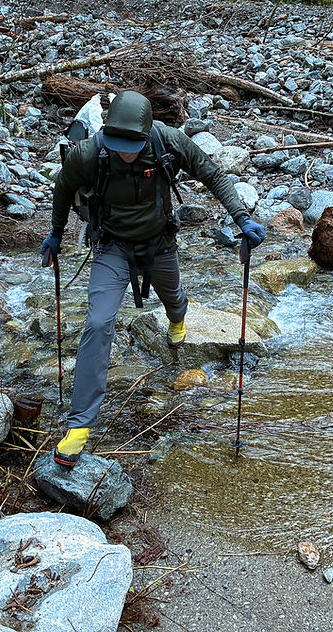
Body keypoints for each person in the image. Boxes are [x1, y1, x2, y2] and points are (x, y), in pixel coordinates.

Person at [41, 90, 265, 468]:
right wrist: (56, 233)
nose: (124, 152)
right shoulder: (89, 153)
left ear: (146, 134)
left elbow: (212, 175)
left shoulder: (169, 140)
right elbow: (62, 188)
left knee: (174, 299)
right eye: (117, 145)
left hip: (160, 243)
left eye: (132, 146)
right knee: (98, 322)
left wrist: (241, 218)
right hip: (111, 246)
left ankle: (178, 317)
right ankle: (79, 425)